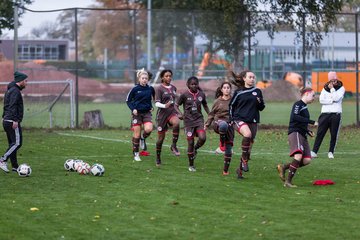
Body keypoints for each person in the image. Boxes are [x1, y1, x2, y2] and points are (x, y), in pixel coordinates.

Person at [277, 87, 318, 188]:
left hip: (302, 134)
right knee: (298, 156)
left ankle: (284, 167)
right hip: (295, 133)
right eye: (313, 95)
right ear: (307, 94)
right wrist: (312, 122)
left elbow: (301, 122)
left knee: (306, 160)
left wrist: (308, 131)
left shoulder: (305, 107)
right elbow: (295, 117)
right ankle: (288, 182)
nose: (314, 98)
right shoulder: (298, 104)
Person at [229, 70, 265, 179]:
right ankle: (244, 161)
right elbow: (231, 106)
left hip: (253, 121)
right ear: (244, 78)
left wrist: (259, 102)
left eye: (253, 77)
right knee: (247, 134)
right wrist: (231, 119)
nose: (252, 79)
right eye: (250, 77)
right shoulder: (238, 92)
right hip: (239, 119)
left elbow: (262, 108)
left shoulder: (257, 91)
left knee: (248, 151)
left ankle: (239, 170)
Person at [176, 76, 210, 172]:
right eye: (192, 84)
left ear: (198, 84)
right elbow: (176, 105)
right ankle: (191, 165)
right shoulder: (184, 95)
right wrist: (179, 114)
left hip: (199, 120)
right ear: (188, 85)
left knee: (202, 138)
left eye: (195, 84)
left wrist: (210, 115)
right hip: (188, 122)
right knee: (190, 142)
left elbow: (205, 105)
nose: (194, 86)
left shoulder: (201, 94)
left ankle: (196, 148)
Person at [311, 71, 345, 159]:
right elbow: (321, 100)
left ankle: (331, 152)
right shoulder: (324, 88)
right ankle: (314, 152)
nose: (333, 82)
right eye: (331, 80)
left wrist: (332, 90)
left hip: (336, 114)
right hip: (324, 114)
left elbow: (337, 98)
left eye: (334, 80)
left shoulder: (341, 88)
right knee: (320, 133)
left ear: (336, 79)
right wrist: (331, 100)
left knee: (334, 134)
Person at [0, 71, 28, 173]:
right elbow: (12, 106)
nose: (26, 82)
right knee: (17, 143)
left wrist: (4, 117)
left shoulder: (11, 90)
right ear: (20, 81)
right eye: (25, 80)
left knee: (12, 144)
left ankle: (15, 166)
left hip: (7, 120)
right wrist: (15, 120)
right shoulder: (15, 91)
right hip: (12, 121)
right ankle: (3, 160)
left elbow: (6, 105)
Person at [204, 81, 234, 175]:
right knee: (223, 125)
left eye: (228, 88)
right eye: (224, 88)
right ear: (221, 90)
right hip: (218, 124)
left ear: (230, 89)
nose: (226, 89)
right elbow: (211, 114)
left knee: (229, 149)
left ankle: (225, 170)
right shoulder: (217, 101)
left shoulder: (234, 100)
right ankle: (221, 143)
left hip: (229, 125)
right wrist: (207, 124)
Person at [126, 68, 155, 162]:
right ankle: (136, 154)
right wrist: (133, 109)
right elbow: (128, 100)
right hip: (137, 114)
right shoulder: (135, 89)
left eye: (146, 78)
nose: (144, 80)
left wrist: (151, 106)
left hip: (146, 113)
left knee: (149, 129)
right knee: (136, 134)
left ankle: (143, 138)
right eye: (143, 78)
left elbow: (152, 99)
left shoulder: (150, 89)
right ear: (139, 79)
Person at [154, 69, 181, 166]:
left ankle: (173, 145)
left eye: (170, 76)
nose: (169, 77)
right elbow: (156, 103)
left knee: (177, 123)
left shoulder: (173, 88)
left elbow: (174, 103)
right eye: (166, 76)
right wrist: (165, 105)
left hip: (171, 113)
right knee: (160, 139)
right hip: (162, 115)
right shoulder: (159, 88)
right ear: (162, 77)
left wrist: (179, 113)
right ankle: (158, 157)